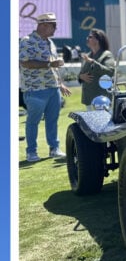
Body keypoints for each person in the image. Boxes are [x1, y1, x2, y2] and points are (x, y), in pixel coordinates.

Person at [18, 12, 71, 162]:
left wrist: (60, 83)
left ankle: (54, 148)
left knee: (52, 120)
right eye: (54, 26)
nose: (56, 29)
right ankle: (31, 152)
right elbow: (24, 62)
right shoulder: (27, 40)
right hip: (35, 90)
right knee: (33, 122)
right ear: (44, 25)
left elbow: (53, 66)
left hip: (53, 89)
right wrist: (49, 64)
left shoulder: (50, 42)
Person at [78, 28, 115, 107]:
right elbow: (81, 73)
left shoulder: (107, 54)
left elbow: (110, 72)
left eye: (90, 37)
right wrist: (80, 76)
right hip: (88, 99)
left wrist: (92, 62)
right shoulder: (87, 56)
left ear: (98, 40)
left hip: (101, 99)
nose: (87, 39)